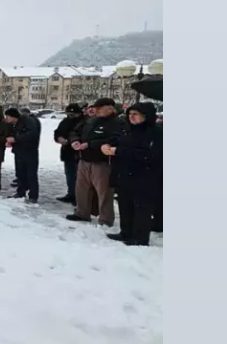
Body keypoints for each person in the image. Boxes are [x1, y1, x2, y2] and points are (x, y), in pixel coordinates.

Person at [102, 102, 161, 246]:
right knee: (125, 205)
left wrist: (119, 151)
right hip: (124, 175)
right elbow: (116, 139)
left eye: (135, 114)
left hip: (145, 177)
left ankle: (140, 238)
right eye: (130, 114)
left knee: (142, 209)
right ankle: (126, 232)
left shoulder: (156, 132)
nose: (131, 117)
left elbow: (151, 155)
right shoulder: (127, 129)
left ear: (146, 116)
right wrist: (106, 145)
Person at [66, 98, 124, 227]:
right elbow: (75, 132)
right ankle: (82, 212)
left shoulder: (118, 123)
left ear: (110, 108)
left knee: (104, 192)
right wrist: (75, 141)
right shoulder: (90, 121)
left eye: (99, 108)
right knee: (81, 189)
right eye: (95, 108)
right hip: (84, 159)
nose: (95, 111)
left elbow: (115, 139)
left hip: (102, 162)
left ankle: (105, 219)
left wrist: (91, 144)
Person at [4, 108, 40, 203]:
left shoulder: (28, 120)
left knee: (31, 175)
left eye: (7, 116)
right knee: (20, 174)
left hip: (30, 152)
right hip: (18, 152)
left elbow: (32, 134)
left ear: (13, 116)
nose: (6, 118)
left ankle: (33, 196)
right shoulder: (13, 124)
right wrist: (10, 142)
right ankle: (20, 192)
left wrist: (15, 139)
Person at [53, 103, 84, 203]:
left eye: (72, 114)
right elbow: (57, 132)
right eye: (68, 114)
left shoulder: (84, 122)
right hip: (67, 152)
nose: (69, 116)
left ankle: (79, 197)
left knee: (79, 177)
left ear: (78, 113)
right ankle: (71, 193)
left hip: (79, 153)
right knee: (69, 175)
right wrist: (59, 138)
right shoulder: (65, 121)